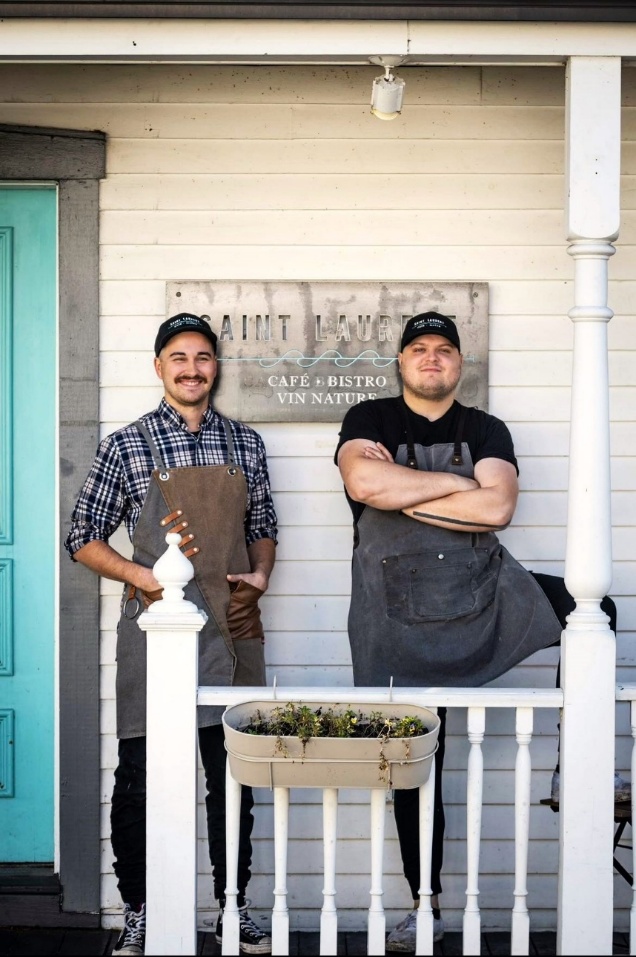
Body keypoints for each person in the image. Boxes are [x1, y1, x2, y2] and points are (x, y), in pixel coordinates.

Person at [335, 310, 624, 952]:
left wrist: (405, 493)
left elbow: (496, 507)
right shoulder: (369, 420)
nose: (431, 358)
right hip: (394, 620)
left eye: (443, 349)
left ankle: (578, 764)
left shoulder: (485, 426)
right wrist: (456, 487)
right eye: (419, 349)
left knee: (592, 613)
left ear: (460, 364)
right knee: (417, 769)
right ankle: (425, 905)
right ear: (402, 362)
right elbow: (361, 479)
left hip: (480, 595)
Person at [64, 313, 277, 957]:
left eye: (203, 357)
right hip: (156, 632)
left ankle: (233, 910)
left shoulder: (246, 443)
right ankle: (139, 910)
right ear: (158, 367)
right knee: (139, 779)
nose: (192, 368)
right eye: (178, 357)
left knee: (232, 777)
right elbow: (83, 539)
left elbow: (264, 524)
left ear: (216, 367)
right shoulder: (126, 444)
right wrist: (144, 578)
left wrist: (260, 576)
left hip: (234, 627)